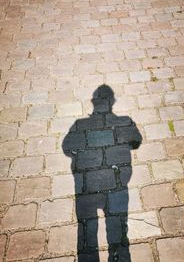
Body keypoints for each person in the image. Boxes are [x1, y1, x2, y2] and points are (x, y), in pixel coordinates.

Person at [62, 84, 142, 262]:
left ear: (93, 102)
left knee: (86, 229)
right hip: (119, 185)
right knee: (118, 228)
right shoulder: (126, 120)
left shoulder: (79, 124)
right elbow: (137, 141)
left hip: (87, 186)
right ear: (112, 102)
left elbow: (66, 147)